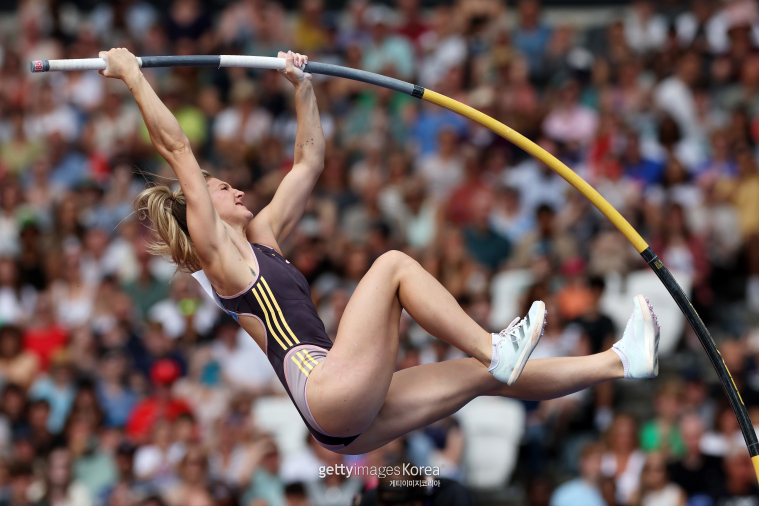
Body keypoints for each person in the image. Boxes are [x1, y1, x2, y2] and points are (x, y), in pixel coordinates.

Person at [98, 47, 662, 455]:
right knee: (392, 265)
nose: (236, 189)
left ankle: (619, 362)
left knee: (483, 377)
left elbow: (309, 161)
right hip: (327, 389)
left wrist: (305, 90)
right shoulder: (218, 256)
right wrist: (131, 75)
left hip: (343, 416)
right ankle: (495, 346)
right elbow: (175, 146)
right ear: (203, 210)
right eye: (222, 187)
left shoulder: (262, 238)